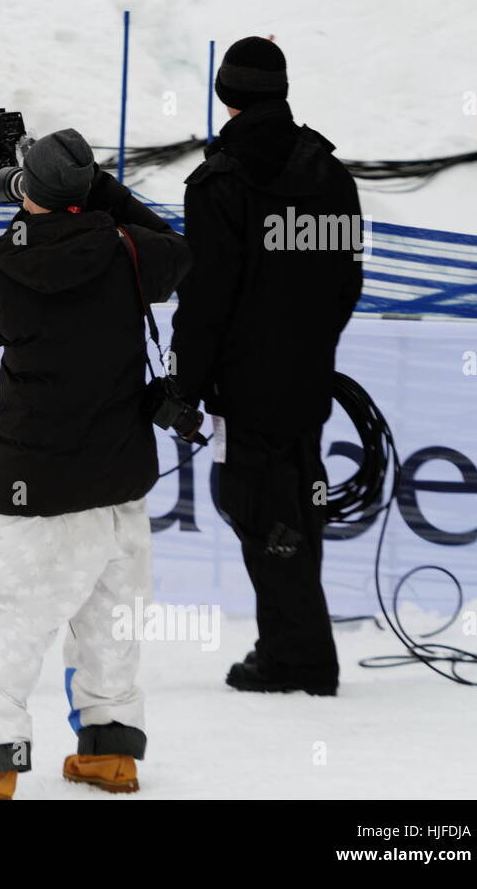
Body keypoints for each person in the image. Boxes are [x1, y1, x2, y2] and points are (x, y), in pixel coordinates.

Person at [0, 130, 190, 800]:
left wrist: (28, 212)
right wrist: (96, 190)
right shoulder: (128, 251)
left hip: (35, 484)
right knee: (111, 622)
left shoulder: (1, 269)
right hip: (120, 480)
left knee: (8, 621)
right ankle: (110, 752)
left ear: (32, 196)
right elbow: (174, 249)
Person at [171, 37, 364, 696]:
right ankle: (288, 644)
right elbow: (348, 282)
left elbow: (204, 301)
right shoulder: (328, 171)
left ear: (226, 95)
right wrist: (310, 344)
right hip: (306, 377)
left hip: (247, 386)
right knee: (296, 506)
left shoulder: (219, 181)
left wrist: (185, 387)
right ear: (280, 91)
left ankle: (300, 659)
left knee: (260, 509)